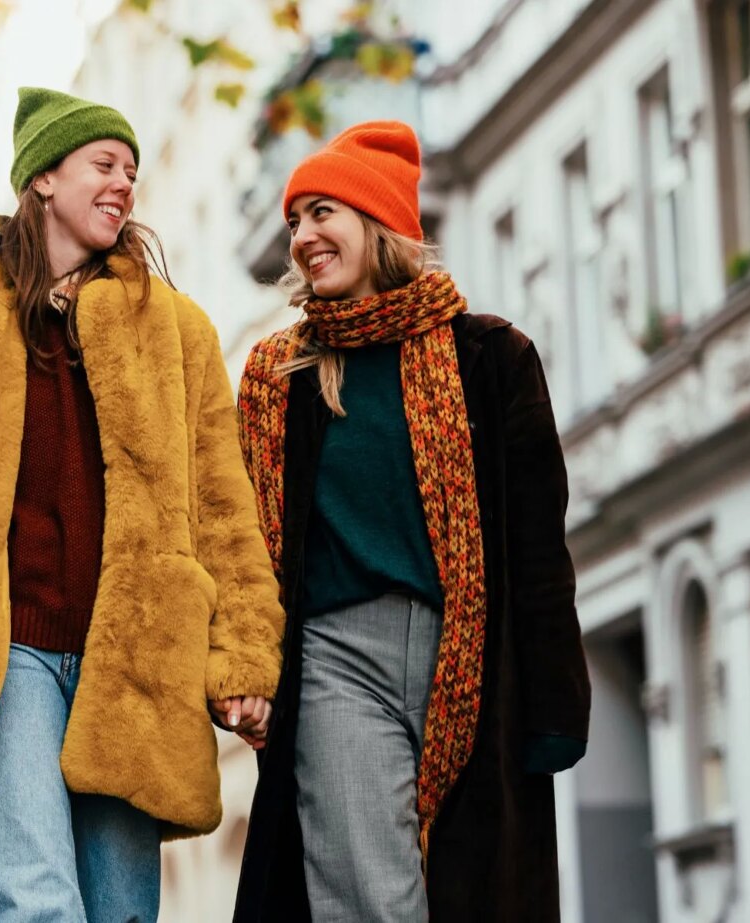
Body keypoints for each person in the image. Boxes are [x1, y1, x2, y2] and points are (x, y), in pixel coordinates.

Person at [0, 87, 284, 923]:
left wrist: (239, 656)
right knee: (30, 901)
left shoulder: (177, 331)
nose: (124, 183)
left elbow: (225, 510)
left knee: (122, 910)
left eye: (132, 171)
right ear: (43, 180)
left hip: (137, 661)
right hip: (4, 655)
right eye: (104, 164)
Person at [230, 121, 591, 923]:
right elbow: (243, 548)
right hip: (334, 661)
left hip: (470, 656)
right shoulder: (277, 378)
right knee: (370, 899)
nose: (303, 237)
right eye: (295, 222)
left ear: (377, 220)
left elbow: (538, 549)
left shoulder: (491, 356)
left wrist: (556, 706)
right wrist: (240, 670)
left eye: (322, 212)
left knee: (475, 892)